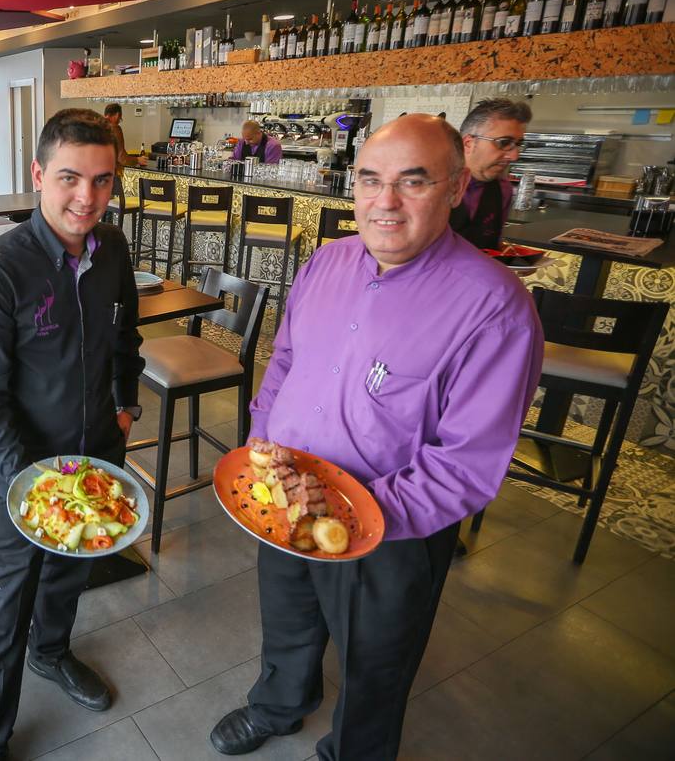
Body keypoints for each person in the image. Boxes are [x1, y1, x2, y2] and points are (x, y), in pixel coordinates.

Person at [209, 114, 542, 760]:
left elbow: (466, 464)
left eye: (410, 182)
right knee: (285, 618)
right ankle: (279, 703)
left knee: (375, 661)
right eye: (369, 180)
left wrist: (351, 513)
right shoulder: (327, 261)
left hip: (392, 530)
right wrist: (261, 446)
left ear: (452, 189)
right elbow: (283, 361)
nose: (383, 202)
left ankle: (356, 750)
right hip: (282, 493)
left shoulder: (493, 306)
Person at [0, 108, 145, 761]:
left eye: (102, 181)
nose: (86, 197)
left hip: (96, 450)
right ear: (38, 174)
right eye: (70, 177)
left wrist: (123, 405)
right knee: (5, 604)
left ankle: (52, 653)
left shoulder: (114, 250)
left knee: (71, 569)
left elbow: (123, 330)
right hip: (23, 470)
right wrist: (28, 487)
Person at [450, 98, 532, 249]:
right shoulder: (434, 185)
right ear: (468, 143)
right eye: (504, 142)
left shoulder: (503, 189)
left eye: (518, 144)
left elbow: (491, 244)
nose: (514, 156)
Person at [103, 102, 137, 175]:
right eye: (120, 118)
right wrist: (137, 160)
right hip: (110, 173)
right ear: (117, 115)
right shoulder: (115, 128)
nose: (119, 121)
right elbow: (122, 158)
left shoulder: (96, 125)